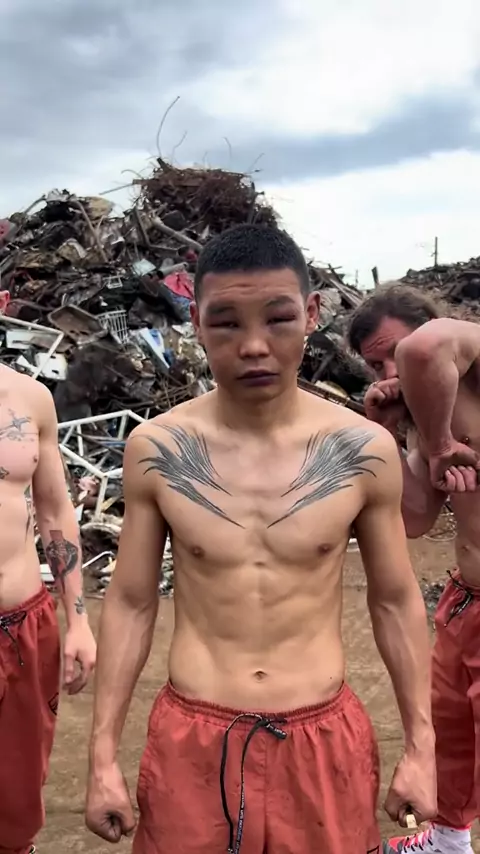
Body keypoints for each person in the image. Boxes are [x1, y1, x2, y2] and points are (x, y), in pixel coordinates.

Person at [85, 225, 436, 854]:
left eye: (278, 319)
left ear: (312, 313)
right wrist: (102, 756)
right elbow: (132, 601)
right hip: (193, 739)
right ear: (196, 323)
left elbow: (394, 600)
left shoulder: (361, 450)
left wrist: (421, 746)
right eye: (225, 324)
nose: (253, 346)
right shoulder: (158, 450)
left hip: (321, 740)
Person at [348, 284, 480, 854]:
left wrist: (442, 439)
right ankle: (448, 842)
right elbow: (414, 518)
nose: (387, 372)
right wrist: (383, 430)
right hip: (468, 599)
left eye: (390, 354)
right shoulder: (425, 415)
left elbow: (425, 351)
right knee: (451, 732)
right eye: (374, 365)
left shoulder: (470, 352)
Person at [0, 286, 97, 854]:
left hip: (24, 625)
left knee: (16, 793)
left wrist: (77, 618)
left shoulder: (31, 398)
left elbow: (56, 509)